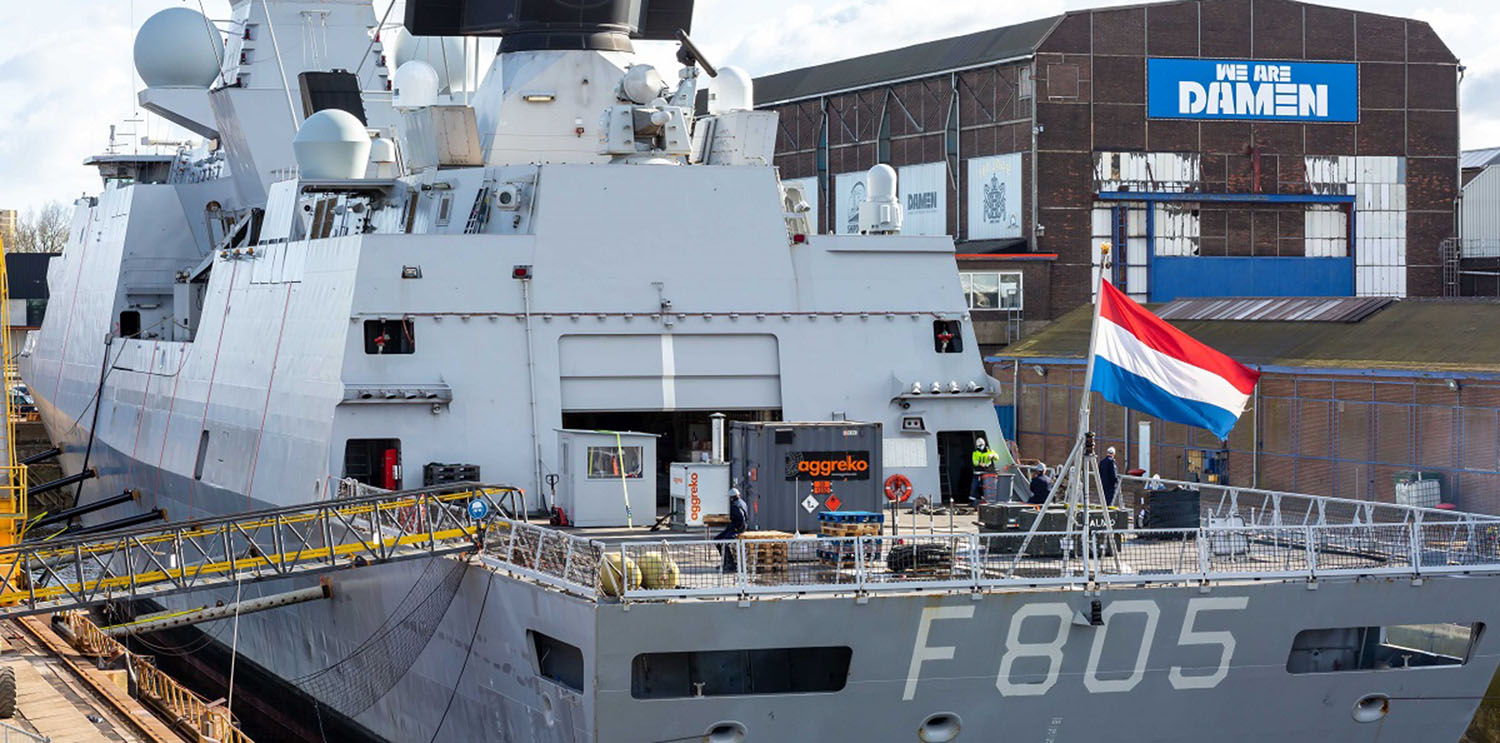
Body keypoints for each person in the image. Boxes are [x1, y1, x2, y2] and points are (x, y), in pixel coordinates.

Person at [715, 488, 749, 572]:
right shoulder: (742, 502)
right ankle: (725, 562)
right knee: (717, 540)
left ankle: (731, 564)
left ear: (732, 497)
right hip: (734, 527)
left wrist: (737, 529)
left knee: (724, 543)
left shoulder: (735, 505)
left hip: (736, 528)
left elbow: (741, 519)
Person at [970, 437, 1002, 505]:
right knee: (975, 485)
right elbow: (974, 461)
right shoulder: (975, 452)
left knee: (986, 486)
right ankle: (973, 500)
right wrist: (980, 464)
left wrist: (992, 455)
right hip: (978, 471)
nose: (980, 447)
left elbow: (997, 457)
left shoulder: (989, 450)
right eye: (979, 446)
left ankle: (986, 498)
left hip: (987, 472)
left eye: (981, 445)